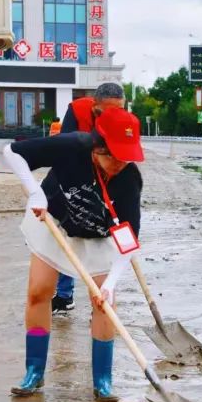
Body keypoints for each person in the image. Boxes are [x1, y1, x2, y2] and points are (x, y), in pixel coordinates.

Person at [2, 105, 144, 402]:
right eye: (113, 155)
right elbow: (11, 152)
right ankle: (34, 372)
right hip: (55, 225)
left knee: (106, 305)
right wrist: (34, 192)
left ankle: (102, 380)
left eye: (126, 156)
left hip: (98, 238)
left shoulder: (129, 179)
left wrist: (110, 284)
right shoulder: (73, 145)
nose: (120, 163)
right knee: (39, 292)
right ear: (97, 146)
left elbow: (128, 242)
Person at [50, 83, 127, 315]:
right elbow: (64, 149)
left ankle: (104, 296)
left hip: (107, 181)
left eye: (120, 109)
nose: (116, 114)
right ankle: (64, 296)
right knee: (70, 238)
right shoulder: (78, 111)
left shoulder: (124, 121)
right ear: (95, 106)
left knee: (103, 241)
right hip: (75, 181)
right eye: (109, 110)